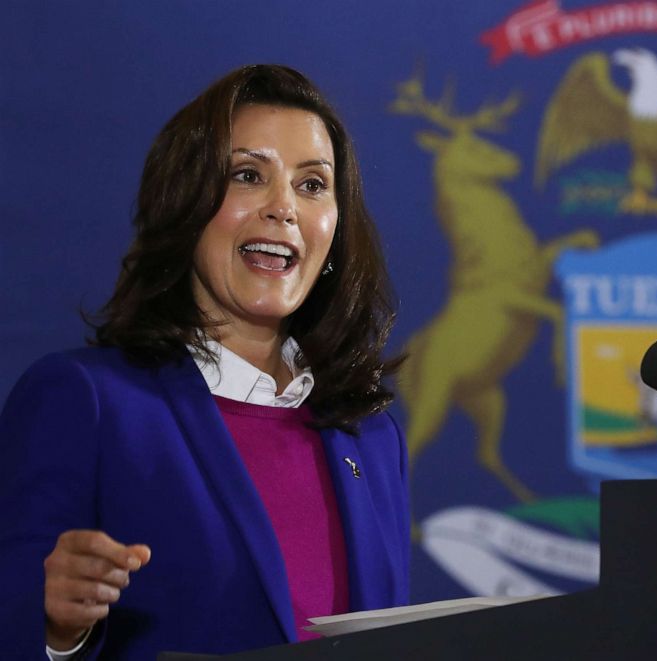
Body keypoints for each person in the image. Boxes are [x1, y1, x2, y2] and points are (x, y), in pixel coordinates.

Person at [0, 64, 410, 659]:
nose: (284, 208)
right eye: (248, 175)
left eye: (313, 185)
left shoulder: (372, 437)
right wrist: (57, 629)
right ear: (187, 205)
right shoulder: (85, 402)